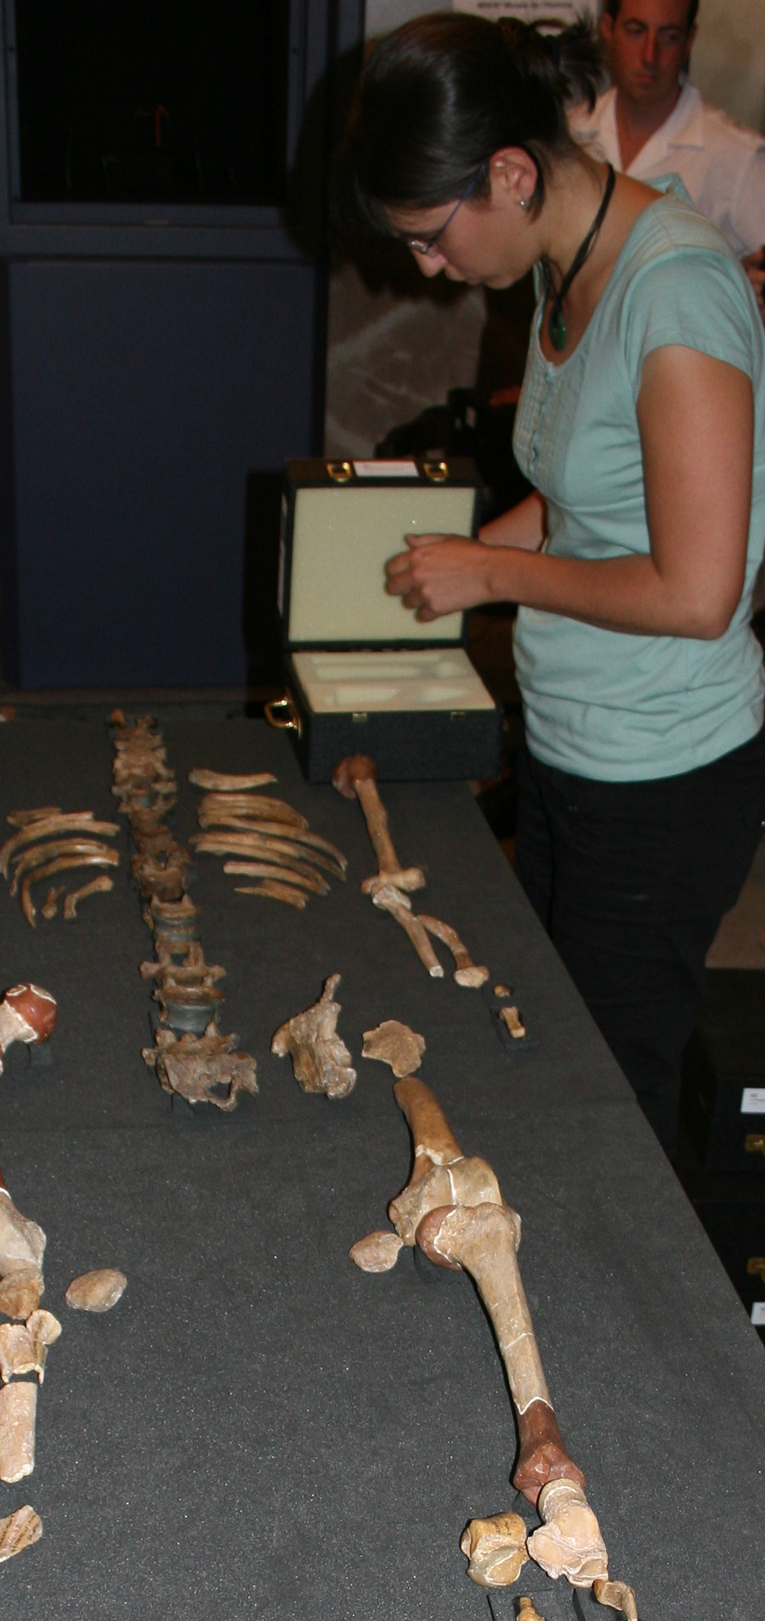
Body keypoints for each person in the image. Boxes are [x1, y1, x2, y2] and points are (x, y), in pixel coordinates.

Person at [335, 14, 765, 1156]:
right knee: (554, 1049)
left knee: (610, 1114)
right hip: (576, 742)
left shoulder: (677, 294)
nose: (428, 269)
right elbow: (587, 503)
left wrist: (491, 571)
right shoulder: (564, 268)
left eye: (431, 236)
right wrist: (456, 559)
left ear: (512, 174)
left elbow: (699, 590)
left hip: (663, 773)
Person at [570, 0, 765, 314]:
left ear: (689, 41)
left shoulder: (736, 157)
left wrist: (736, 289)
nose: (650, 56)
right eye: (636, 32)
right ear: (607, 29)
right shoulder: (571, 138)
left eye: (669, 37)